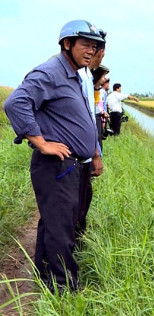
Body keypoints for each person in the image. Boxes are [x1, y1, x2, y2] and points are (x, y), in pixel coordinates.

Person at [4, 19, 104, 293]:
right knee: (60, 228)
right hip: (56, 165)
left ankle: (45, 275)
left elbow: (83, 118)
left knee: (58, 222)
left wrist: (94, 153)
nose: (90, 51)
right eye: (85, 44)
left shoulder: (76, 74)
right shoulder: (50, 72)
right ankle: (63, 288)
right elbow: (15, 103)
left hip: (75, 166)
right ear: (67, 43)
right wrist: (41, 142)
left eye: (94, 47)